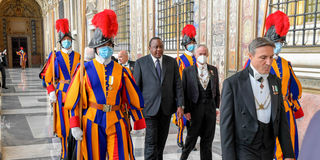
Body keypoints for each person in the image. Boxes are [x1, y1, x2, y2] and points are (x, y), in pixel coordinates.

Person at [64, 9, 145, 160]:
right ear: (96, 48)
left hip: (117, 119)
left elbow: (131, 96)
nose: (106, 48)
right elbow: (75, 98)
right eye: (102, 45)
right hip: (92, 121)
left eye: (108, 44)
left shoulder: (121, 70)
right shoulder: (84, 69)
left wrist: (138, 120)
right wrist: (74, 124)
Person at [220, 37, 294, 160]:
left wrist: (288, 154)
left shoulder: (275, 81)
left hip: (268, 147)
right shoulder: (233, 84)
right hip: (245, 148)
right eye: (263, 58)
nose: (269, 62)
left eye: (271, 57)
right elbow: (226, 127)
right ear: (250, 56)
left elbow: (281, 120)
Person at [243, 11, 303, 159]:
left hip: (284, 112)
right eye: (277, 42)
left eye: (281, 42)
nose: (279, 45)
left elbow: (295, 91)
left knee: (286, 148)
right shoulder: (253, 63)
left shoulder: (285, 64)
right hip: (263, 111)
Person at [133, 37, 184, 160]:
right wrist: (136, 109)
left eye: (161, 46)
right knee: (151, 143)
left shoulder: (171, 62)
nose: (158, 49)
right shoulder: (141, 63)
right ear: (149, 48)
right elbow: (136, 88)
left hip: (166, 108)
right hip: (149, 109)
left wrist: (180, 105)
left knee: (161, 143)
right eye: (155, 47)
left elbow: (178, 84)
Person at [39, 18, 81, 159]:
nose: (67, 41)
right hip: (61, 94)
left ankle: (77, 153)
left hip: (76, 94)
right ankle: (64, 152)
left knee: (77, 123)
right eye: (64, 39)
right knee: (64, 127)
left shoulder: (78, 57)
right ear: (60, 41)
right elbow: (48, 77)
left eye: (69, 39)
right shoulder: (55, 56)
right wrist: (51, 91)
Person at [180, 45, 220, 160]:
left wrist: (217, 107)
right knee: (190, 140)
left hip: (210, 110)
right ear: (195, 55)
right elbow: (184, 91)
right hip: (195, 110)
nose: (202, 56)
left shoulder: (213, 70)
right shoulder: (188, 71)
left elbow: (216, 90)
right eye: (200, 54)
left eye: (204, 54)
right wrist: (186, 110)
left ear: (207, 55)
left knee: (207, 141)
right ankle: (183, 158)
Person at [173, 24, 197, 148]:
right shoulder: (180, 60)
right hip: (183, 92)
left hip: (195, 93)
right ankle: (180, 137)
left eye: (193, 42)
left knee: (193, 120)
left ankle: (191, 142)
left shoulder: (197, 59)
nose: (192, 45)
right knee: (182, 119)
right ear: (185, 45)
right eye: (190, 43)